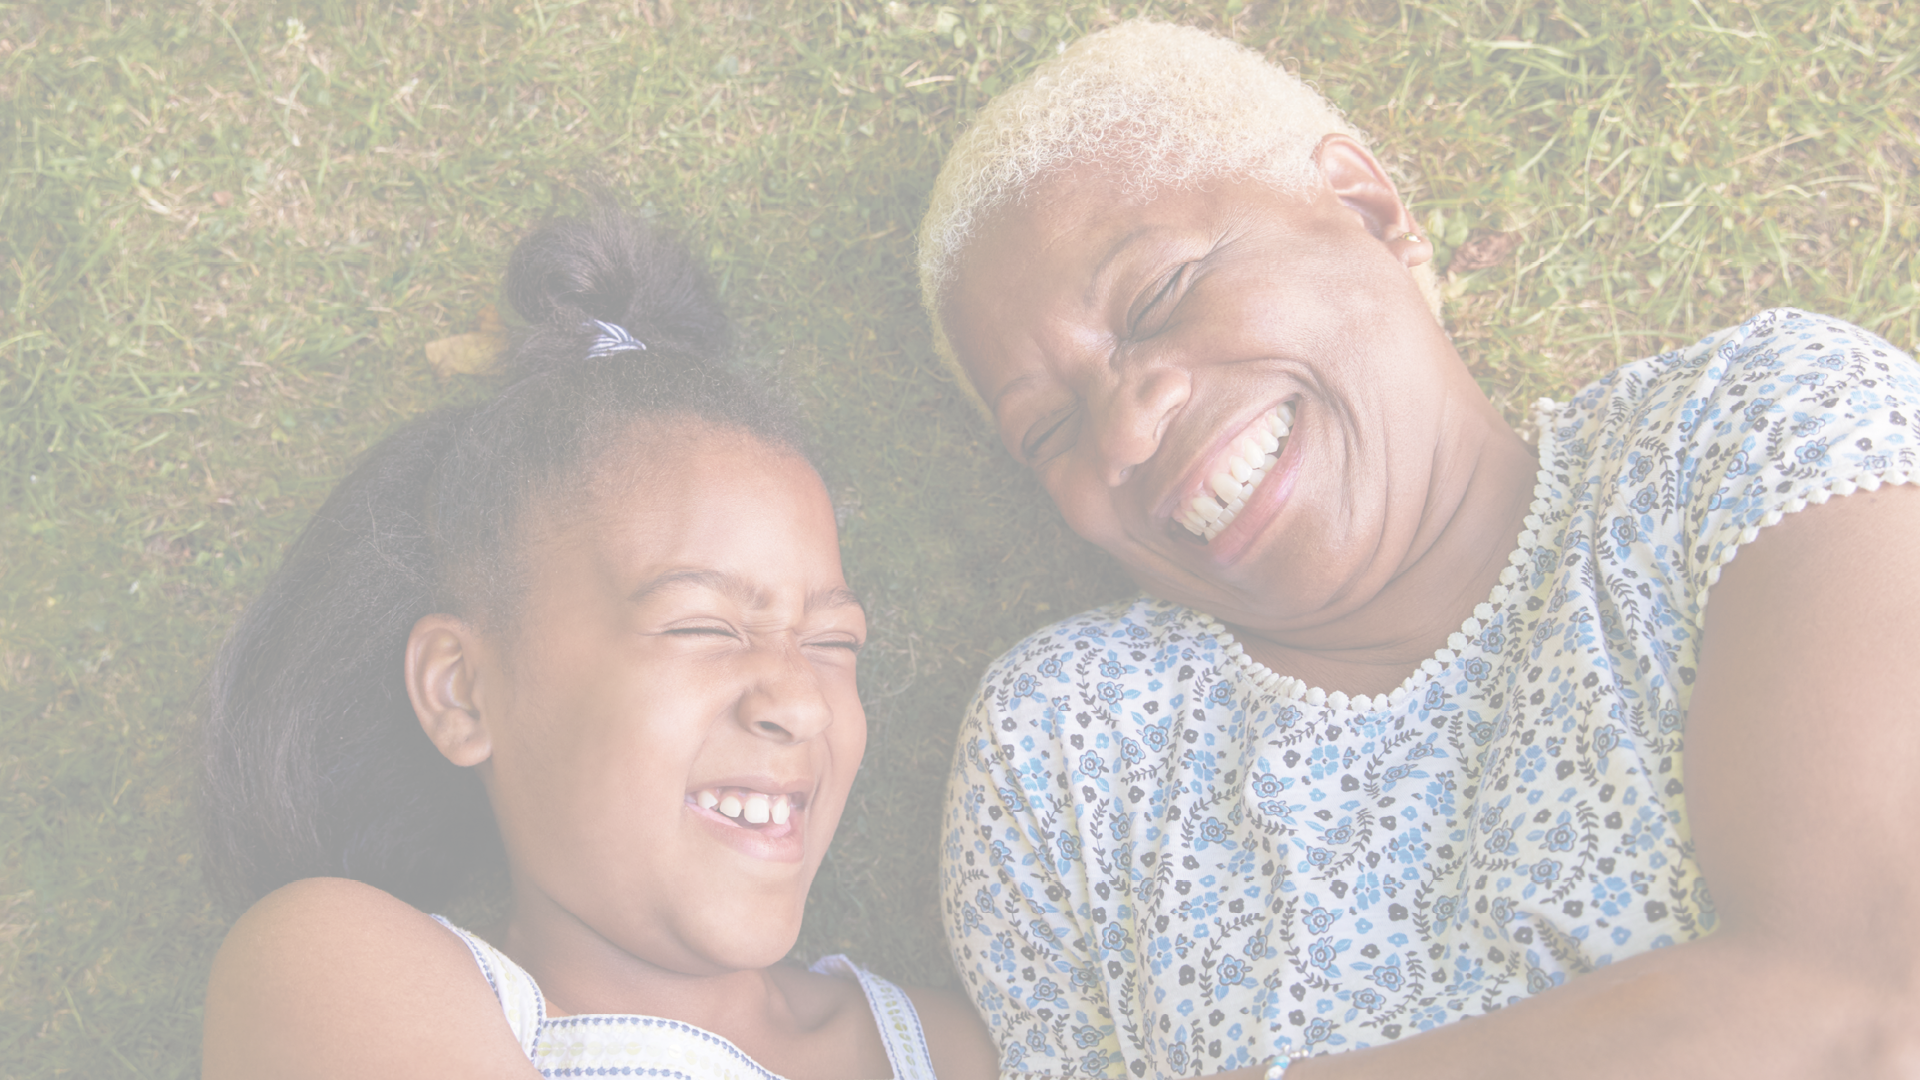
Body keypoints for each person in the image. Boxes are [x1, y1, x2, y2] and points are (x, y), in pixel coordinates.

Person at [920, 20, 1920, 1079]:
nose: (1122, 432)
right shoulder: (1066, 755)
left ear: (1367, 209)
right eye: (1049, 434)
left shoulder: (1753, 428)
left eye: (1158, 297)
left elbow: (1871, 1005)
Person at [194, 200, 996, 1079]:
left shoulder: (954, 1048)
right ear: (463, 690)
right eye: (703, 625)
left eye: (835, 643)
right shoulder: (338, 974)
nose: (802, 701)